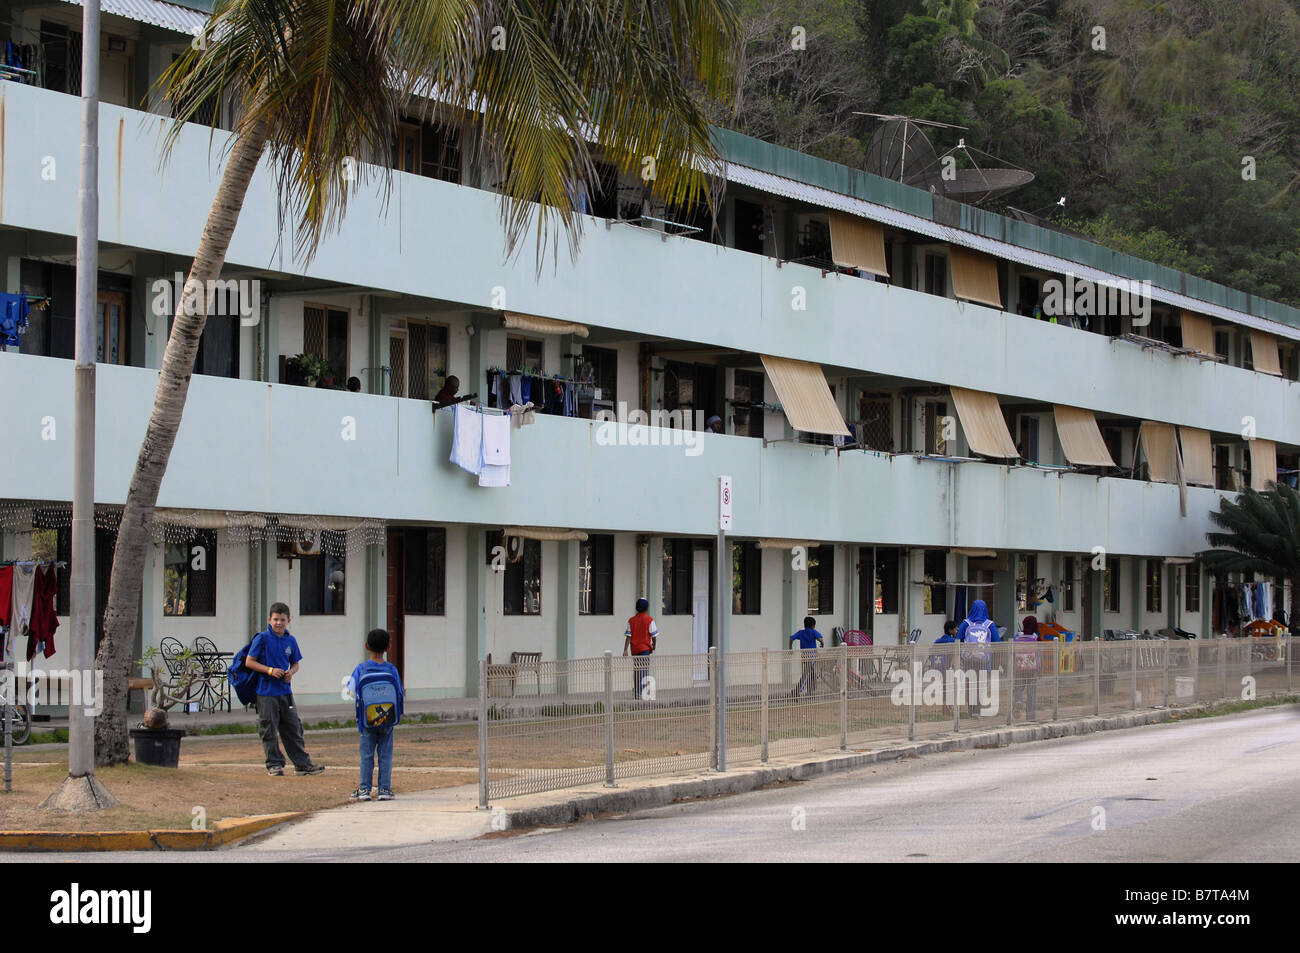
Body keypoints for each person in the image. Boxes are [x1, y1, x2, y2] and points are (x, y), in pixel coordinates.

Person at [246, 602, 325, 776]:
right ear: (269, 619)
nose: (279, 623)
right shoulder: (262, 639)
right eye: (275, 619)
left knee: (293, 727)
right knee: (268, 728)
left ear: (289, 620)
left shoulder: (291, 640)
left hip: (285, 692)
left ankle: (302, 764)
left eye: (282, 620)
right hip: (266, 692)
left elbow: (296, 663)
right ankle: (274, 764)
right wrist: (269, 670)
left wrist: (291, 673)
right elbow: (249, 662)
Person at [345, 628, 404, 801]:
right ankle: (384, 789)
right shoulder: (391, 669)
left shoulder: (361, 668)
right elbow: (399, 693)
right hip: (387, 719)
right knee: (385, 755)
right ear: (388, 647)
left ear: (366, 646)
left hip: (366, 720)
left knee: (367, 755)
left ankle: (364, 789)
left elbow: (351, 691)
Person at [957, 599, 1000, 718]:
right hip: (984, 661)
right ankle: (978, 710)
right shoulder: (989, 624)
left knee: (970, 684)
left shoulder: (966, 623)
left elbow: (958, 640)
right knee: (981, 684)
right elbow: (997, 641)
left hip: (968, 660)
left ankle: (971, 709)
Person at [623, 597, 658, 697]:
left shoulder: (631, 620)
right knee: (644, 671)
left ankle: (637, 692)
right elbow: (653, 635)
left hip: (635, 649)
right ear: (647, 608)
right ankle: (642, 692)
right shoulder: (649, 620)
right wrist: (654, 644)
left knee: (637, 671)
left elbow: (628, 636)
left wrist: (625, 649)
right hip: (645, 649)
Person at [1013, 615, 1041, 720]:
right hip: (1032, 667)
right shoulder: (1035, 638)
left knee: (1018, 687)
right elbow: (1038, 655)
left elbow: (1013, 652)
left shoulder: (1017, 637)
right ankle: (1030, 715)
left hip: (1019, 666)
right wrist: (1039, 667)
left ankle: (1018, 701)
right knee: (1031, 692)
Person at [790, 616, 823, 695]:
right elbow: (820, 639)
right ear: (813, 626)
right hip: (812, 656)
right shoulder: (814, 632)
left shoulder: (801, 632)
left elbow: (791, 638)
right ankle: (797, 690)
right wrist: (822, 644)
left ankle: (810, 691)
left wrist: (790, 648)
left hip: (804, 655)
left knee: (811, 673)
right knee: (807, 673)